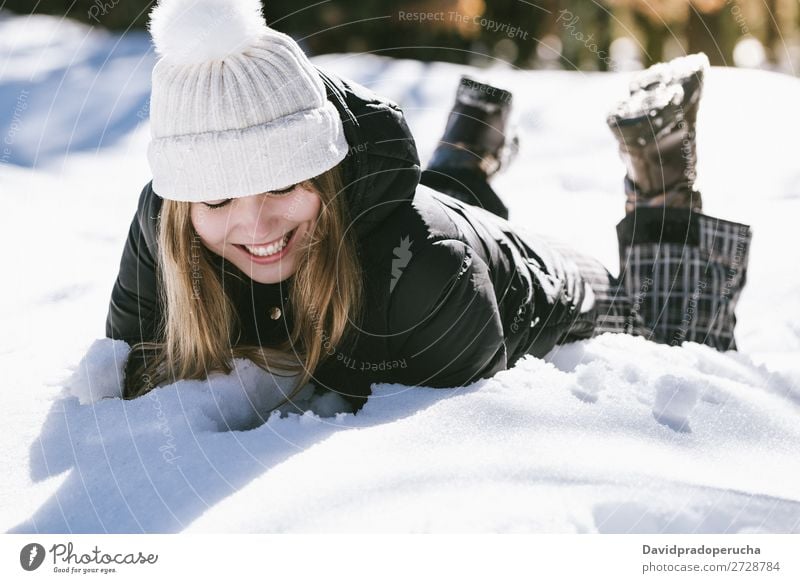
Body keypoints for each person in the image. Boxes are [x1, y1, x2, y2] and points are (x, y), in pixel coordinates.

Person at [106, 0, 751, 414]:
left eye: (283, 186)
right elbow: (131, 368)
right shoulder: (164, 225)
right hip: (409, 227)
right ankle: (468, 148)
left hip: (527, 281)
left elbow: (440, 446)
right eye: (218, 199)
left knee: (676, 329)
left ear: (328, 173)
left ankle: (661, 167)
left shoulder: (425, 276)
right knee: (400, 228)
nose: (254, 224)